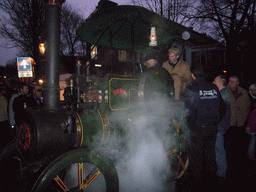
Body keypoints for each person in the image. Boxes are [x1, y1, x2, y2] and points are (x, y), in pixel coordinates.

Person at [184, 65, 226, 190]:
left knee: (196, 156)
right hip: (212, 127)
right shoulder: (213, 87)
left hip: (198, 128)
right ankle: (212, 181)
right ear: (203, 74)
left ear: (192, 75)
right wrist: (216, 120)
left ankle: (197, 184)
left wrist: (190, 126)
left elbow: (189, 111)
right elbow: (223, 107)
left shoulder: (192, 88)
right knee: (210, 154)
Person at [225, 76, 251, 168]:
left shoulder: (244, 92)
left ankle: (237, 162)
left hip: (240, 123)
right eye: (230, 81)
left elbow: (247, 107)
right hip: (229, 123)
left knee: (238, 143)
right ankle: (228, 162)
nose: (231, 83)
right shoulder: (225, 92)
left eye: (233, 82)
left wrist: (244, 119)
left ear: (238, 83)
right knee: (228, 144)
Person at [213, 75, 231, 181]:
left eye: (215, 81)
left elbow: (220, 113)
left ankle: (221, 174)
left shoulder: (223, 95)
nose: (213, 82)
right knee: (218, 150)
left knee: (219, 151)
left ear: (220, 82)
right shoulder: (223, 93)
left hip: (220, 127)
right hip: (221, 126)